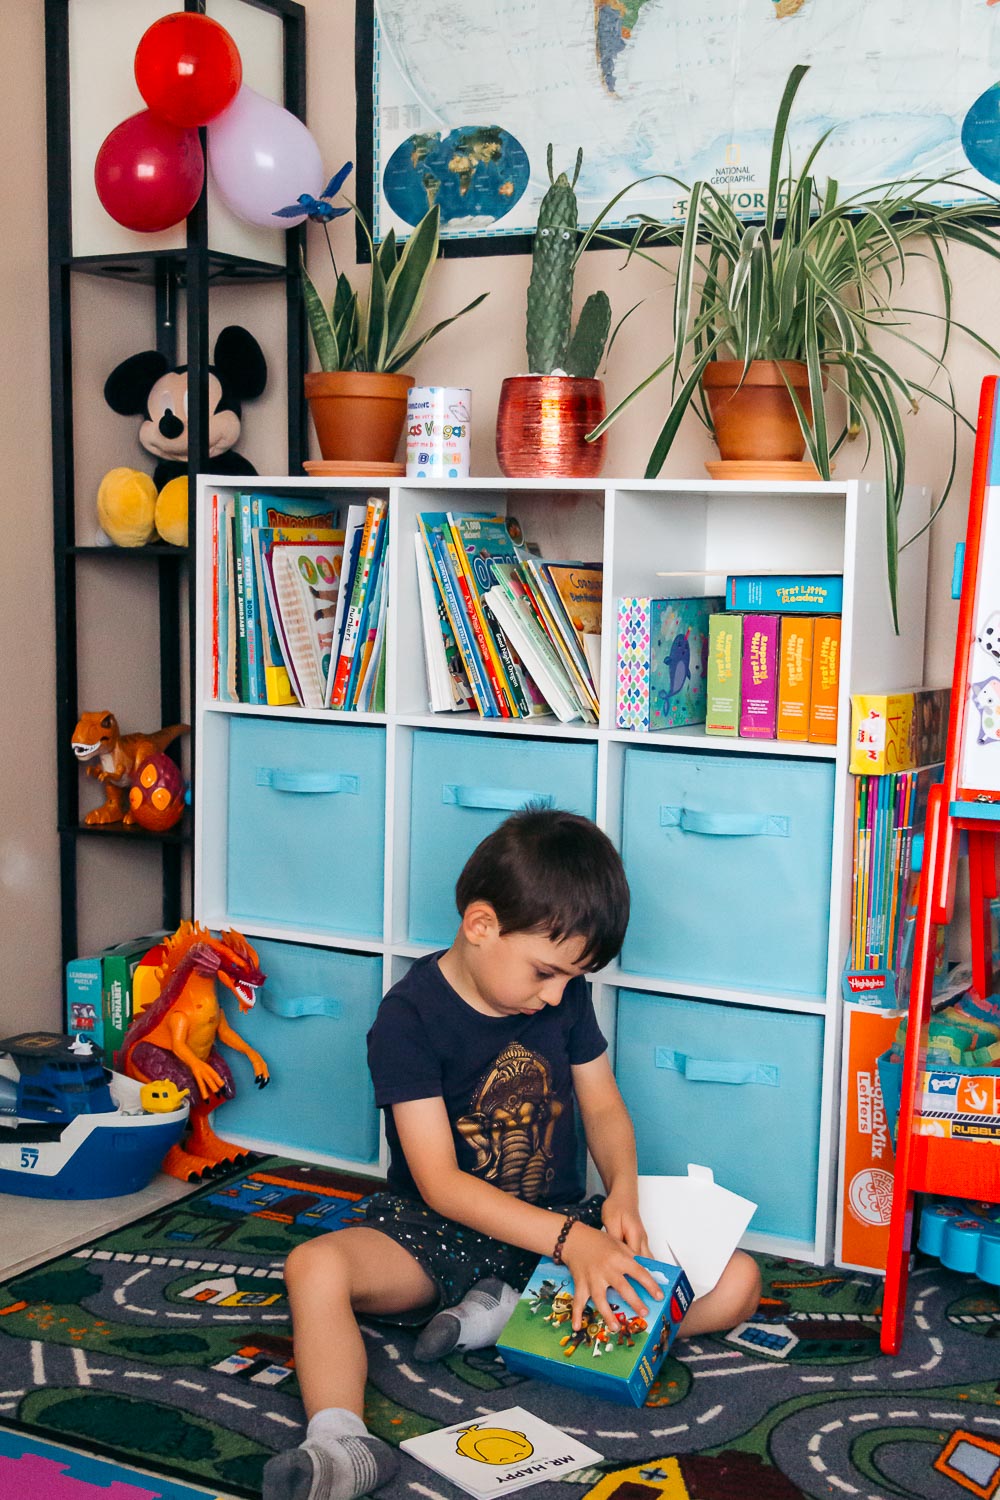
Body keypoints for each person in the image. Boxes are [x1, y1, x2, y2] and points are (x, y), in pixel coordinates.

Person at [263, 808, 761, 1500]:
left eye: (572, 978)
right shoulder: (408, 1018)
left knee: (737, 1281)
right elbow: (439, 1183)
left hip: (556, 1227)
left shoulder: (563, 995)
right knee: (312, 1265)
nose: (556, 994)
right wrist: (572, 1245)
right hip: (435, 1232)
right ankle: (342, 1440)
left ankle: (511, 1313)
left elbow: (605, 1107)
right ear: (481, 926)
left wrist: (618, 1194)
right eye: (546, 973)